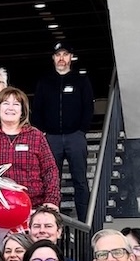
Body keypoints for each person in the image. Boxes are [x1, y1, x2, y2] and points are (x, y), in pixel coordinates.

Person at [32, 43, 94, 221]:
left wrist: (82, 130)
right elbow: (37, 109)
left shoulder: (81, 80)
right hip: (51, 138)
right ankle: (52, 220)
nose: (61, 58)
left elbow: (88, 107)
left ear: (71, 57)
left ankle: (85, 220)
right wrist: (43, 132)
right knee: (51, 182)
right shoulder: (44, 82)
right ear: (53, 58)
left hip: (75, 136)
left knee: (80, 181)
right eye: (57, 54)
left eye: (65, 54)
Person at [0, 88, 60, 209]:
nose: (11, 108)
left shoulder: (36, 136)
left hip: (33, 207)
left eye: (16, 104)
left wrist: (52, 200)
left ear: (22, 112)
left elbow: (50, 170)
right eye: (6, 103)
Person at [27, 204, 93, 261]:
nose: (42, 230)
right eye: (37, 226)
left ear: (59, 232)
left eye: (48, 226)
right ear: (30, 231)